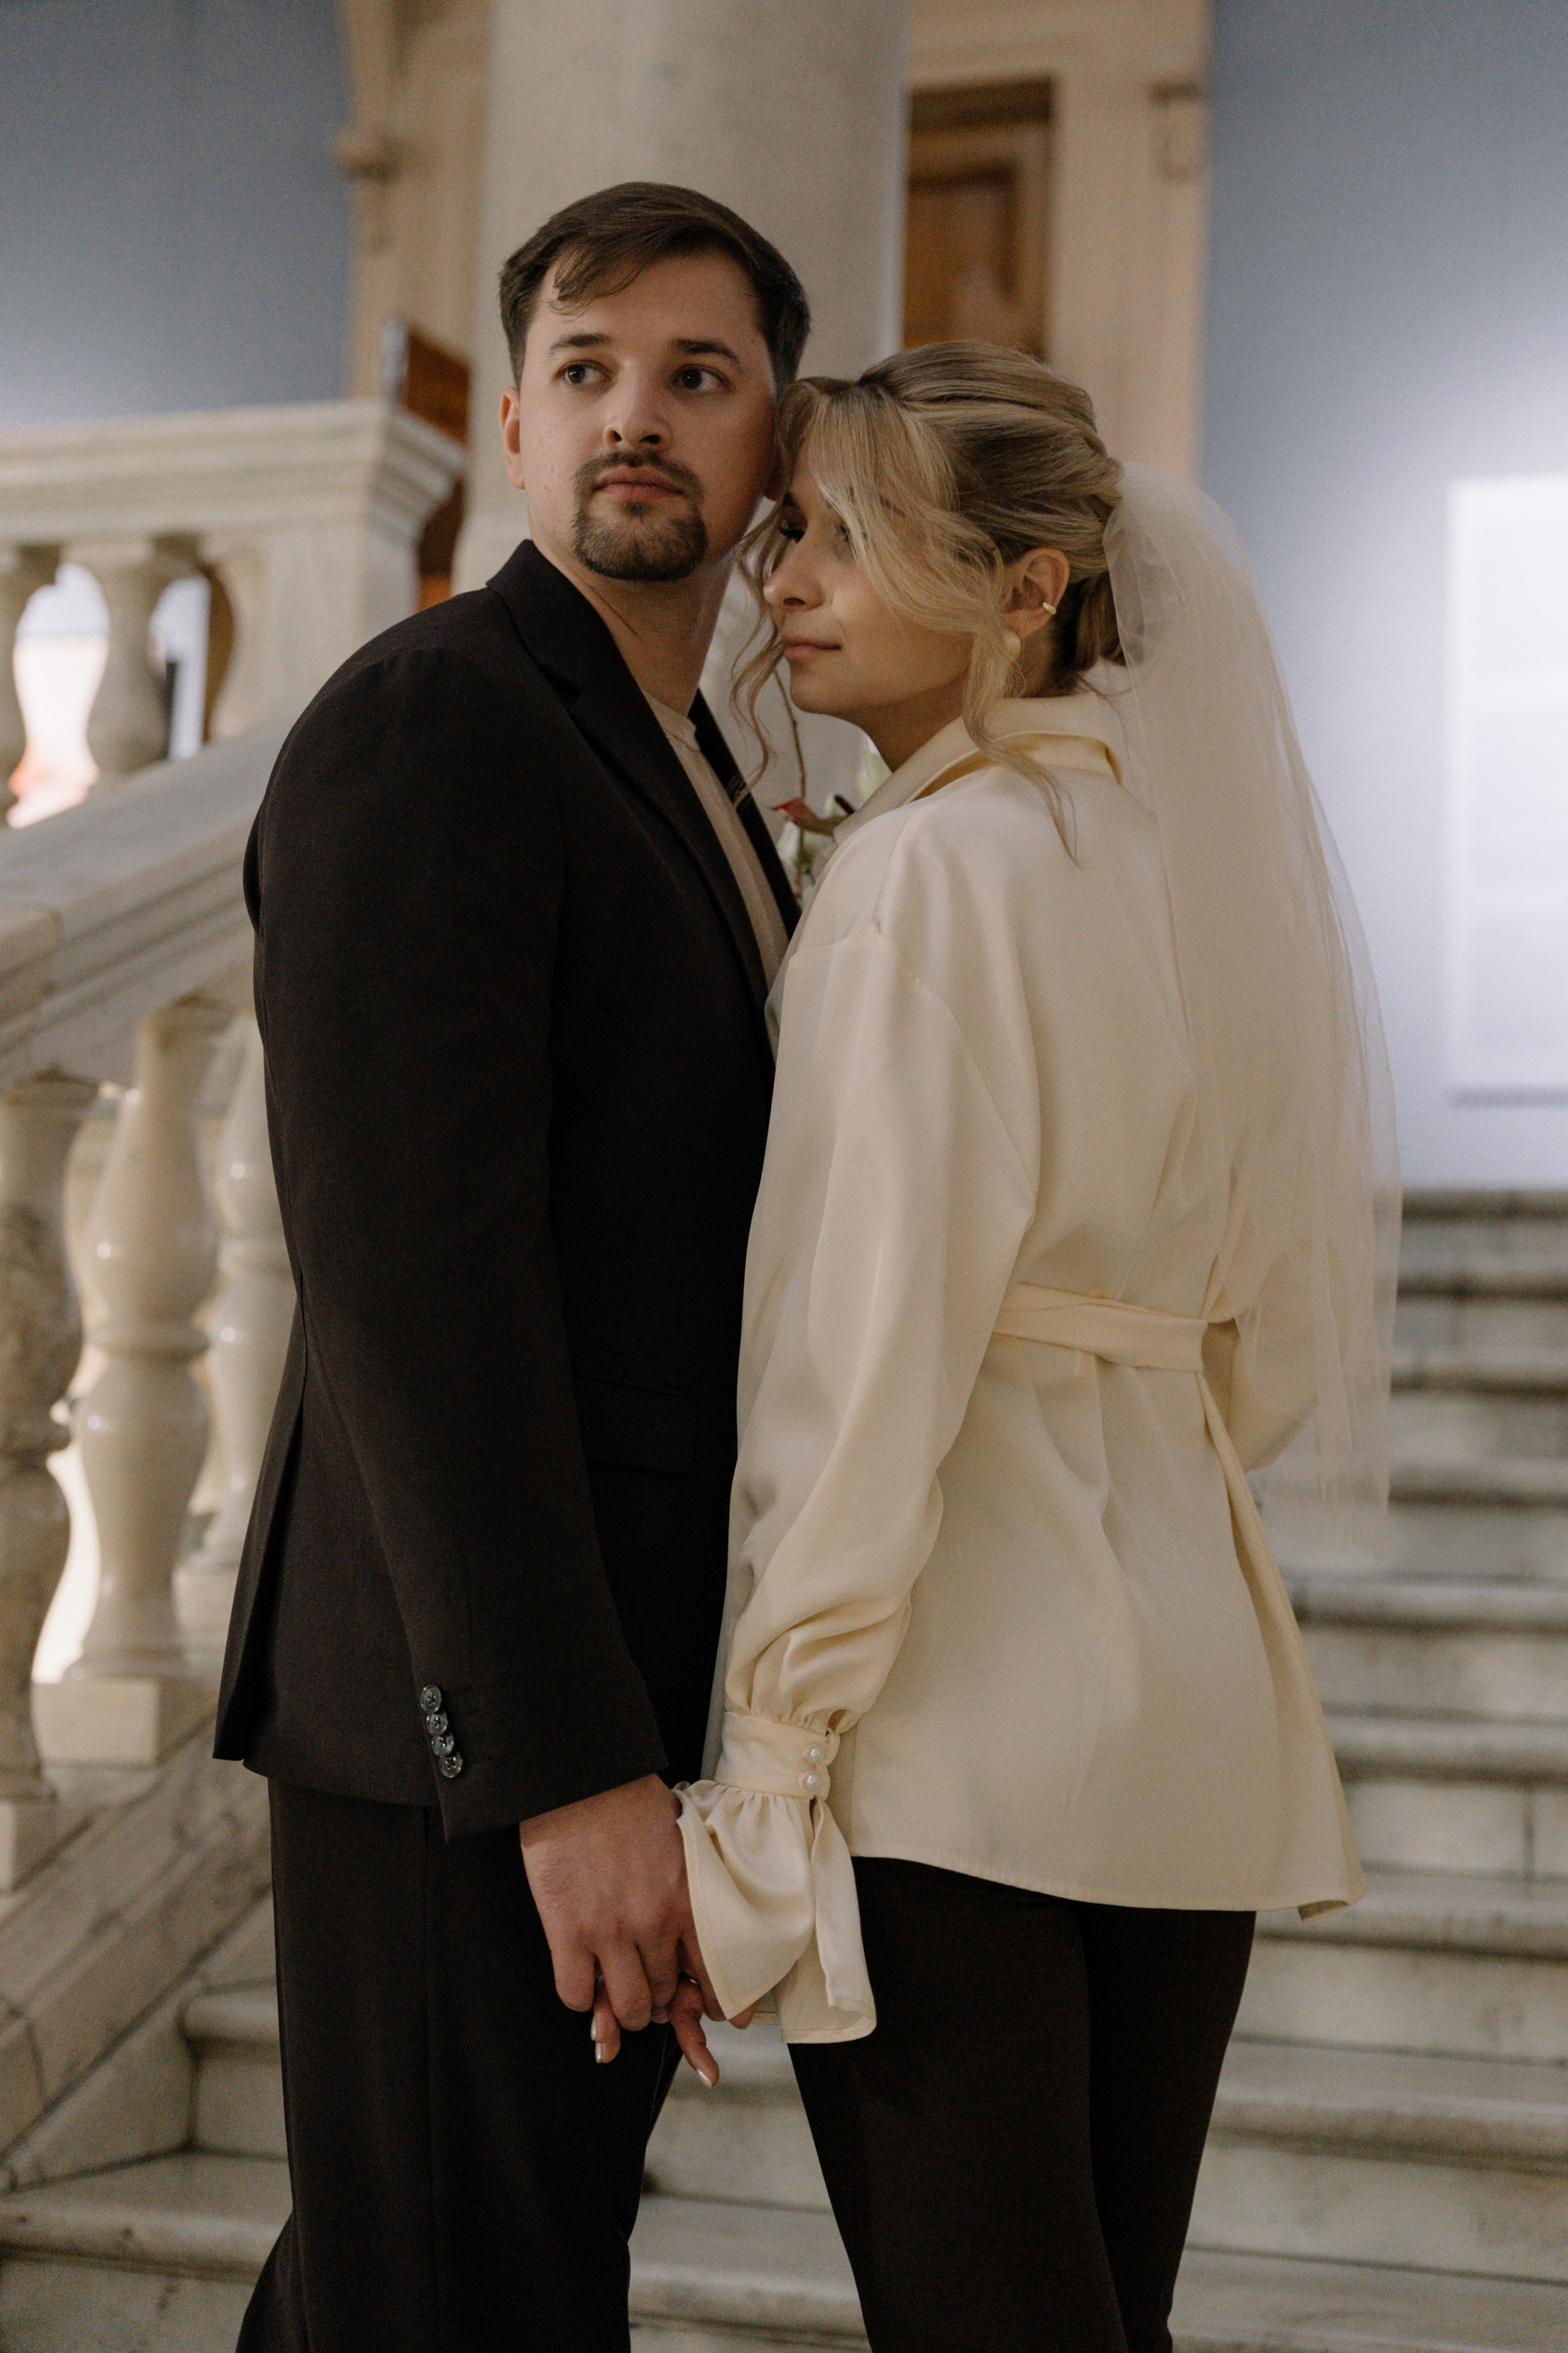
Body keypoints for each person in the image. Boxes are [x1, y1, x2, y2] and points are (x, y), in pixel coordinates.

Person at [670, 345, 1399, 2353]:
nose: (783, 581)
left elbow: (857, 1366)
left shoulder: (920, 875)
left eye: (845, 535)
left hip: (954, 1730)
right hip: (1194, 1711)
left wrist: (772, 1761)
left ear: (1029, 583)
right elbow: (1283, 1336)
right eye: (792, 532)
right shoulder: (1205, 870)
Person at [216, 182, 804, 2351]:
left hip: (617, 1693)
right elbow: (414, 1289)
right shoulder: (433, 719)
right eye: (586, 370)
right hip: (466, 1724)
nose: (636, 414)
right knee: (457, 2296)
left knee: (422, 2287)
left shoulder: (698, 763)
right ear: (519, 428)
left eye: (696, 375)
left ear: (773, 436)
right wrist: (563, 1760)